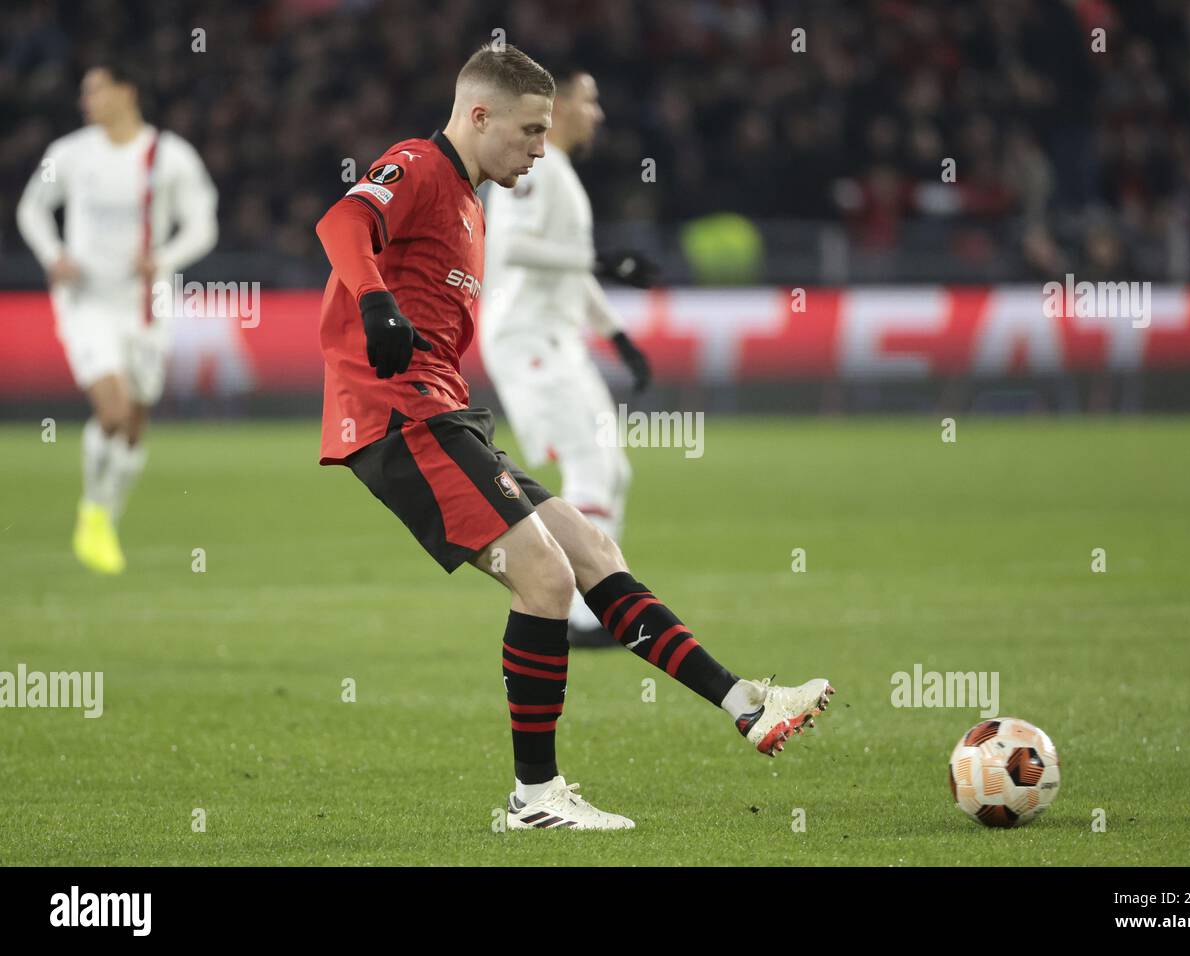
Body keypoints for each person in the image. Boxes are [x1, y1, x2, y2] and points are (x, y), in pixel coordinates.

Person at [314, 44, 833, 831]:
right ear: (479, 114)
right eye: (528, 131)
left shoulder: (469, 201)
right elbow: (346, 219)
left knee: (591, 551)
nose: (538, 148)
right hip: (396, 414)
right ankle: (535, 799)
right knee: (546, 581)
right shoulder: (419, 164)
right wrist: (376, 301)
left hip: (443, 411)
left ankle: (747, 704)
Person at [16, 61, 219, 574]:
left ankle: (105, 515)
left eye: (97, 89)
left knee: (132, 425)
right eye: (84, 91)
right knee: (112, 410)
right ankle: (92, 512)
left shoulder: (169, 156)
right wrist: (53, 254)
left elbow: (203, 224)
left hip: (146, 305)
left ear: (127, 92)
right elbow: (32, 210)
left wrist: (165, 258)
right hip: (86, 302)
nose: (87, 100)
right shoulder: (68, 154)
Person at [480, 65, 657, 649]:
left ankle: (596, 609)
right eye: (590, 99)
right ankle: (586, 617)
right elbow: (513, 244)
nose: (597, 113)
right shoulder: (535, 171)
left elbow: (570, 266)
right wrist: (602, 260)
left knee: (612, 469)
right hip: (526, 338)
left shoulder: (558, 173)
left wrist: (617, 333)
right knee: (589, 464)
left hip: (558, 339)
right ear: (555, 107)